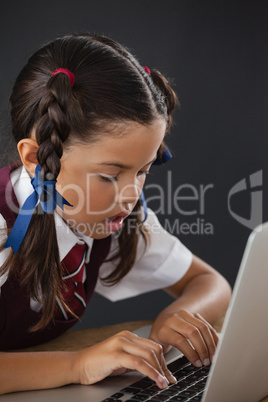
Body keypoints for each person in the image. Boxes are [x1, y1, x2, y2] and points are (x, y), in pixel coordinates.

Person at [0, 32, 231, 395]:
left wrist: (176, 317)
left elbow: (212, 284)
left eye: (142, 171)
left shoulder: (113, 218)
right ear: (35, 160)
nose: (131, 195)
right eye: (109, 175)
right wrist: (79, 364)